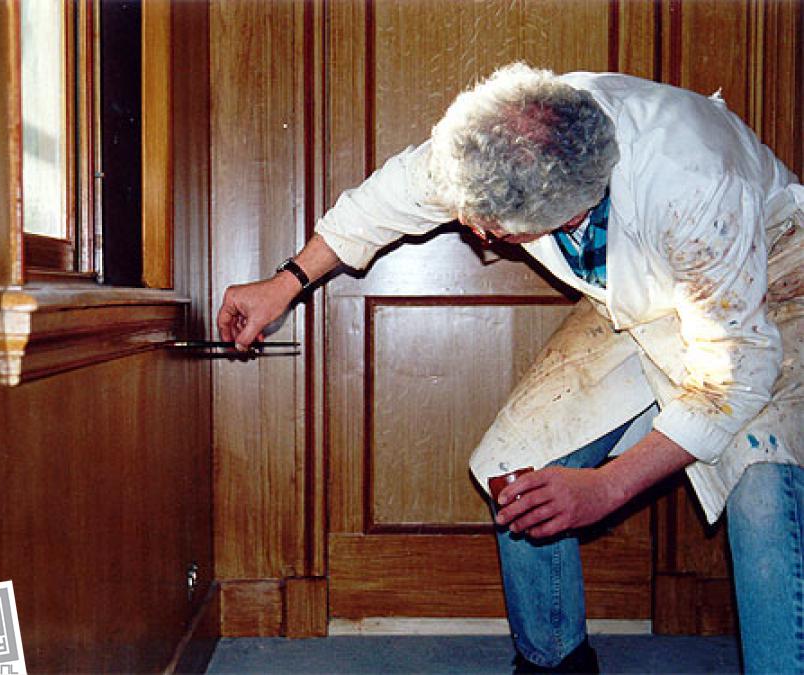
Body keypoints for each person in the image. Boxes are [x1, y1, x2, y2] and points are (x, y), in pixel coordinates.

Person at [217, 63, 803, 673]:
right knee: (517, 466)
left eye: (492, 232)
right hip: (634, 301)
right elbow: (388, 198)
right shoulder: (505, 134)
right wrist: (285, 283)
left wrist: (609, 487)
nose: (475, 233)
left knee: (761, 492)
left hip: (771, 290)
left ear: (567, 216)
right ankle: (554, 663)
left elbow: (735, 371)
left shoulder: (693, 180)